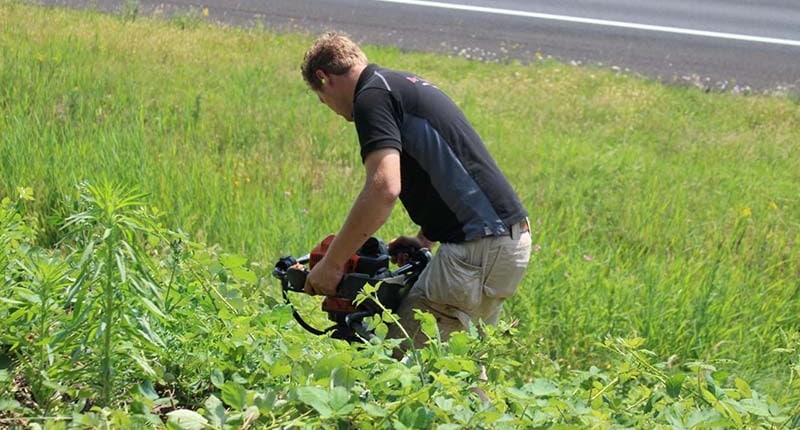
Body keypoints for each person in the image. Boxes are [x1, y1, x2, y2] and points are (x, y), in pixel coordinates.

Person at [300, 31, 531, 354]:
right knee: (453, 368)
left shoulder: (370, 97)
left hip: (480, 250)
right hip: (502, 243)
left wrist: (333, 263)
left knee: (400, 357)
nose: (334, 112)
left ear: (324, 79)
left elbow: (383, 188)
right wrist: (426, 238)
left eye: (322, 100)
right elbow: (449, 167)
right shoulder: (398, 85)